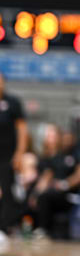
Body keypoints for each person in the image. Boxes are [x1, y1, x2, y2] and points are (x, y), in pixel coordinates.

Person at [0, 72, 27, 243]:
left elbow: (22, 130)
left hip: (7, 156)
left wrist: (20, 153)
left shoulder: (13, 103)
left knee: (7, 192)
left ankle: (3, 228)